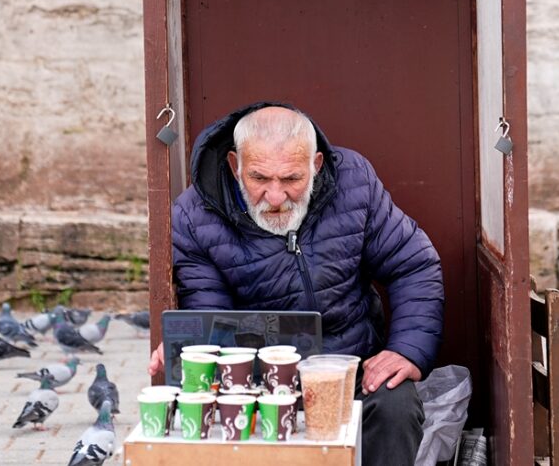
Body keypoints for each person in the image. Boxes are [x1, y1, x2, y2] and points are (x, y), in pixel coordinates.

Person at [147, 103, 444, 465]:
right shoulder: (194, 216)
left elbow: (413, 264)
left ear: (315, 166)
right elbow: (211, 314)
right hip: (258, 379)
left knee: (395, 403)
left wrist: (408, 350)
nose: (275, 197)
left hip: (349, 367)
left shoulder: (354, 180)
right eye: (258, 178)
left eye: (291, 179)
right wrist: (187, 348)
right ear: (234, 165)